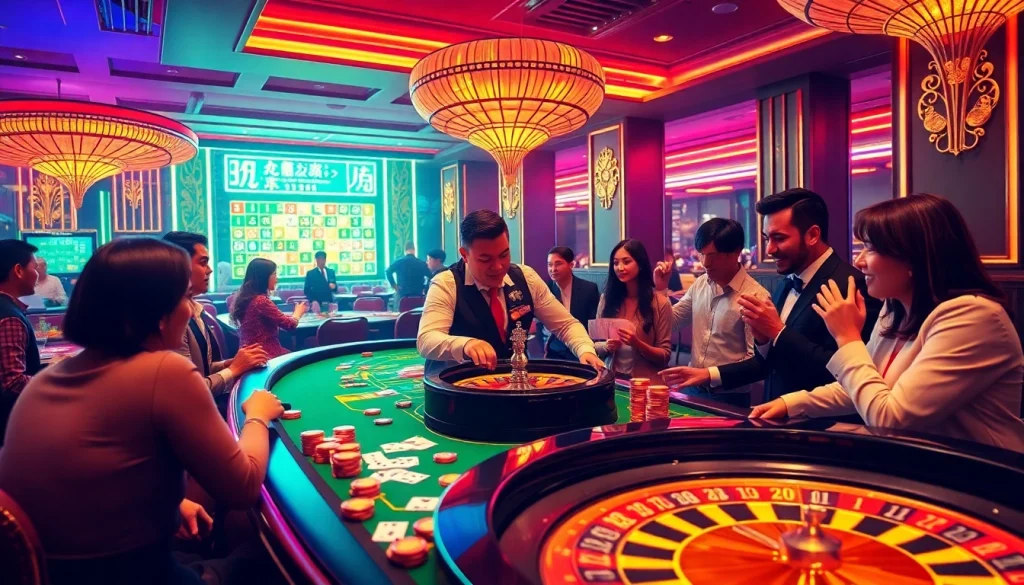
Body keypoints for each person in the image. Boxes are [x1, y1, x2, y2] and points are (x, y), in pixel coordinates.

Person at [0, 237, 284, 584]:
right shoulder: (165, 370)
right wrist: (257, 414)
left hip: (62, 572)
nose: (189, 308)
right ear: (158, 314)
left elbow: (87, 472)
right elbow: (243, 487)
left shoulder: (46, 380)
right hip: (135, 573)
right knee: (271, 551)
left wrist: (171, 503)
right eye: (183, 297)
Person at [751, 194, 1024, 452]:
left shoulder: (974, 316)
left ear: (913, 258)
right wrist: (792, 402)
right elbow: (862, 386)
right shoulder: (894, 310)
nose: (858, 262)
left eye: (869, 248)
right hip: (925, 467)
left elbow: (891, 419)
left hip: (984, 478)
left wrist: (848, 338)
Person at [718, 188, 882, 402]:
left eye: (779, 238)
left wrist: (778, 331)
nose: (769, 249)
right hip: (777, 420)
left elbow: (849, 372)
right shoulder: (787, 281)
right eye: (768, 238)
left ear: (813, 235)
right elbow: (772, 363)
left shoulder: (852, 285)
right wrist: (764, 340)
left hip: (823, 428)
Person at [418, 210, 603, 371]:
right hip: (458, 393)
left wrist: (585, 349)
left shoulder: (526, 277)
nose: (498, 266)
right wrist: (465, 344)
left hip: (514, 386)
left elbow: (565, 324)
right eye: (485, 259)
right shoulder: (446, 283)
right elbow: (426, 340)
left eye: (504, 255)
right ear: (464, 255)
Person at [656, 219, 771, 408]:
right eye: (702, 254)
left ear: (736, 252)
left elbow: (756, 361)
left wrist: (709, 374)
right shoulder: (701, 284)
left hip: (728, 396)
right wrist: (661, 290)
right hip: (691, 390)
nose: (705, 263)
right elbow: (672, 322)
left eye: (714, 255)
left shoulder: (756, 296)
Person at [163, 232, 268, 409]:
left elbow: (201, 368)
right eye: (203, 262)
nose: (210, 270)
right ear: (179, 266)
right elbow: (188, 393)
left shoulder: (196, 308)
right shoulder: (172, 318)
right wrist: (233, 370)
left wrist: (232, 363)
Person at [595, 239, 673, 384]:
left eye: (626, 261)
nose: (620, 267)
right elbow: (595, 345)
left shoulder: (660, 303)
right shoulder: (607, 299)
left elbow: (665, 355)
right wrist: (606, 346)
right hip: (611, 380)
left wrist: (638, 344)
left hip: (645, 383)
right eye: (616, 263)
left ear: (640, 264)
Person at [0, 240, 40, 446]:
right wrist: (55, 378)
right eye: (35, 267)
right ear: (18, 270)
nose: (38, 274)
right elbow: (12, 383)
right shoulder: (10, 317)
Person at [231, 258, 307, 359]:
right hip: (264, 355)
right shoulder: (261, 301)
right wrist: (298, 312)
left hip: (250, 354)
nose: (277, 279)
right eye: (274, 274)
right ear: (264, 277)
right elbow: (290, 324)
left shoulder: (248, 297)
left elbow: (278, 318)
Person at [543, 246, 600, 361]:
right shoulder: (544, 290)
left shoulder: (588, 289)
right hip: (554, 352)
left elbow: (593, 325)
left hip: (581, 351)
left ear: (571, 265)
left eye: (558, 264)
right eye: (550, 265)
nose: (553, 269)